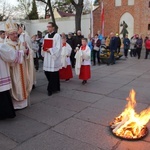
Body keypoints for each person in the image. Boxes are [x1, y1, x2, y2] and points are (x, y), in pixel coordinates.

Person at [2, 18, 31, 110]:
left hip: (22, 68)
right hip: (13, 70)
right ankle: (16, 105)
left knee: (23, 84)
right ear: (8, 35)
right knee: (16, 86)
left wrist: (27, 51)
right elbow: (9, 58)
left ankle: (24, 103)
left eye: (16, 33)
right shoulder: (6, 45)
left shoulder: (20, 42)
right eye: (13, 34)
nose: (15, 35)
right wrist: (22, 52)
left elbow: (27, 54)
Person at [42, 22, 61, 96]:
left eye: (49, 27)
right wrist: (43, 47)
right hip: (47, 56)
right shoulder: (46, 35)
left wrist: (50, 50)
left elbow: (58, 47)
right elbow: (44, 44)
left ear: (53, 27)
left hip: (53, 57)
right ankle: (56, 87)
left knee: (53, 73)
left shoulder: (57, 36)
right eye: (47, 27)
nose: (48, 28)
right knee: (47, 72)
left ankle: (50, 89)